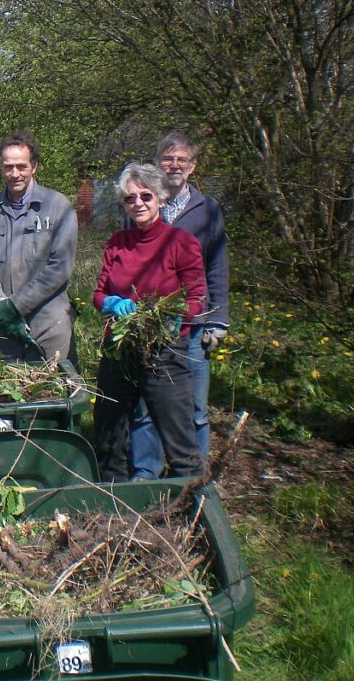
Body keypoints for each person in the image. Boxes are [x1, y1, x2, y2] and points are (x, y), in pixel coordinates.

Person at [92, 162, 206, 481]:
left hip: (164, 351)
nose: (138, 203)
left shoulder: (180, 243)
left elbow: (197, 296)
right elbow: (99, 294)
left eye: (146, 195)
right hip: (120, 347)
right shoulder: (117, 242)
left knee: (178, 434)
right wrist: (113, 303)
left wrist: (170, 319)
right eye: (131, 198)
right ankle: (112, 499)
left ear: (160, 199)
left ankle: (194, 501)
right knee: (109, 430)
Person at [128, 130, 230, 478]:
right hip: (149, 323)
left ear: (192, 166)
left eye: (181, 160)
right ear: (157, 163)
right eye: (167, 159)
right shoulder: (141, 203)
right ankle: (147, 471)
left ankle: (194, 475)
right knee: (147, 405)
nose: (174, 165)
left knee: (195, 407)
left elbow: (216, 266)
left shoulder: (206, 209)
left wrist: (219, 320)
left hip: (194, 323)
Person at [0, 131, 78, 364]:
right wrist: (1, 307)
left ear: (34, 166)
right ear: (1, 167)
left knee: (51, 392)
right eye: (8, 167)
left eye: (21, 166)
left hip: (48, 325)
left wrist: (16, 306)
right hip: (0, 327)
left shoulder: (58, 206)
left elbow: (60, 267)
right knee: (2, 395)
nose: (15, 174)